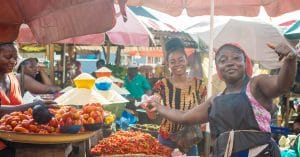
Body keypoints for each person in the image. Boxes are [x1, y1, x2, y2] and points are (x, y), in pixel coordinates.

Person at [144, 42, 297, 156]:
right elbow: (184, 117)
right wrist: (158, 106)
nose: (230, 62)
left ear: (245, 62)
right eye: (223, 60)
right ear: (218, 69)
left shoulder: (256, 84)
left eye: (236, 58)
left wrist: (289, 61)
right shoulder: (215, 100)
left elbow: (282, 85)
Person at [147, 38, 207, 156]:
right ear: (168, 64)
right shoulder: (161, 85)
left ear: (186, 61)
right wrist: (150, 107)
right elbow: (152, 115)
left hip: (190, 140)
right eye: (173, 62)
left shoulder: (199, 85)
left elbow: (204, 113)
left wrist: (201, 122)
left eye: (181, 60)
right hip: (166, 141)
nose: (177, 64)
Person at [0, 43, 53, 156]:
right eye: (7, 57)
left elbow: (17, 112)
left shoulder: (13, 79)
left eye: (15, 57)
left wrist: (38, 109)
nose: (13, 61)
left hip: (12, 144)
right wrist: (30, 105)